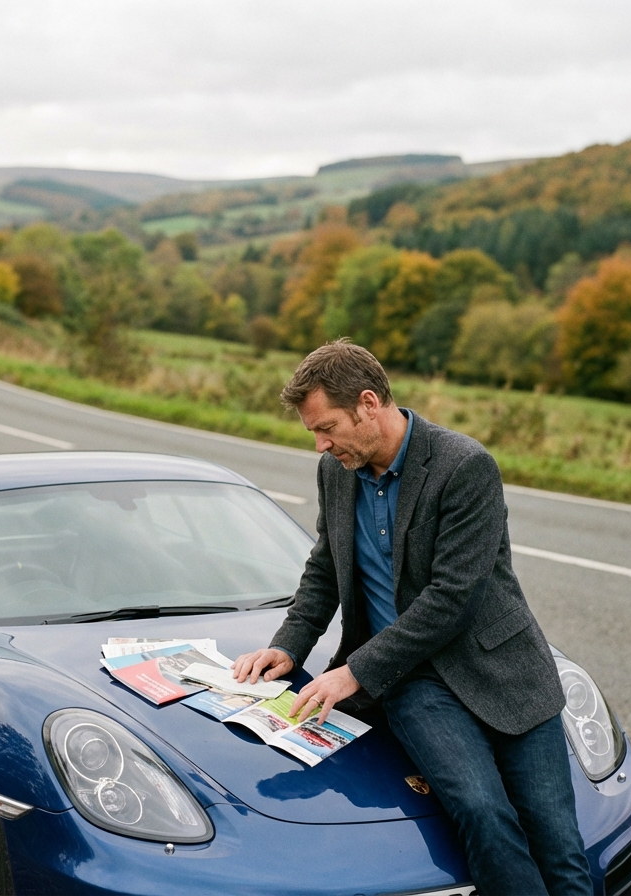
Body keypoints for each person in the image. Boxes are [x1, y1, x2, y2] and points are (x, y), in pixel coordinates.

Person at [233, 340, 592, 896]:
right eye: (314, 433)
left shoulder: (464, 466)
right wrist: (290, 645)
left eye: (326, 427)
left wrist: (352, 672)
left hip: (505, 670)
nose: (322, 444)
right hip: (410, 678)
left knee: (559, 844)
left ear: (369, 403)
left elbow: (452, 599)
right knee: (483, 813)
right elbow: (327, 567)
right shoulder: (335, 471)